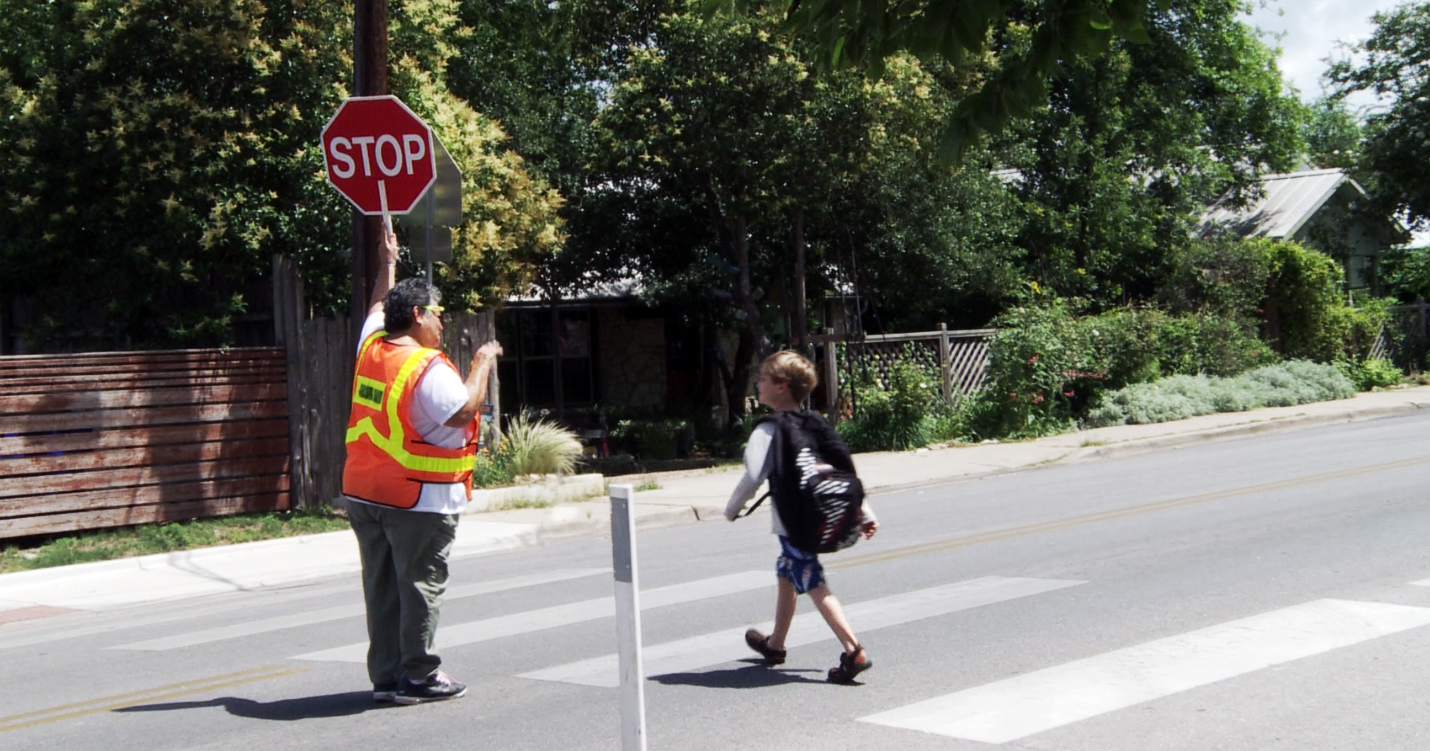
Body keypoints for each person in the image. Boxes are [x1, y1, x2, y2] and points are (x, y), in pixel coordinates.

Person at [342, 225, 502, 705]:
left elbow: (374, 306)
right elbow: (463, 410)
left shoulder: (372, 346)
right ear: (416, 315)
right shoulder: (427, 368)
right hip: (417, 496)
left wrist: (387, 261)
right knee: (421, 584)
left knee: (383, 587)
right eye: (436, 313)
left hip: (365, 493)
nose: (442, 322)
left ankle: (387, 676)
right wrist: (482, 361)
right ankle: (420, 674)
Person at [724, 350, 879, 683]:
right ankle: (775, 644)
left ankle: (854, 650)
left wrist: (732, 509)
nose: (758, 384)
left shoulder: (767, 430)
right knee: (787, 570)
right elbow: (840, 469)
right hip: (823, 512)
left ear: (781, 386)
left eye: (763, 379)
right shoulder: (815, 423)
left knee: (811, 580)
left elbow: (752, 476)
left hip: (795, 521)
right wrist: (863, 511)